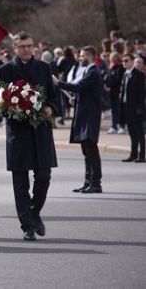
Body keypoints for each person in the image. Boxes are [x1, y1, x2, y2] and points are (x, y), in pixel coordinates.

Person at [0, 32, 58, 241]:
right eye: (22, 46)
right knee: (20, 183)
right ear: (15, 48)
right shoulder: (4, 71)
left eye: (30, 46)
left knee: (44, 177)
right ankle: (27, 226)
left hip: (41, 132)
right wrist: (14, 111)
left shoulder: (43, 68)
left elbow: (53, 96)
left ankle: (34, 211)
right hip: (18, 134)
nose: (27, 50)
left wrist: (50, 108)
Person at [53, 46, 104, 193]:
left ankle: (96, 183)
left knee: (91, 150)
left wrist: (58, 83)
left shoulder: (93, 72)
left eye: (82, 56)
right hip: (83, 115)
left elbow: (79, 86)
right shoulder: (88, 71)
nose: (79, 58)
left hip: (89, 117)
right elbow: (84, 91)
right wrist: (76, 99)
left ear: (89, 56)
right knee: (86, 151)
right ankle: (88, 181)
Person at [119, 54, 145, 162]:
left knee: (139, 132)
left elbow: (141, 93)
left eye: (126, 60)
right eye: (123, 61)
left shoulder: (138, 74)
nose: (124, 63)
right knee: (132, 132)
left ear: (131, 61)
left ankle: (142, 155)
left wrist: (140, 107)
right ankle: (133, 154)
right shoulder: (126, 74)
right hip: (126, 106)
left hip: (135, 108)